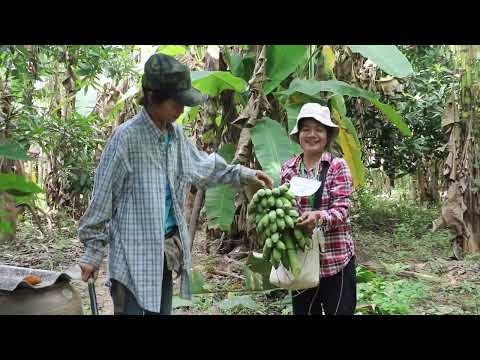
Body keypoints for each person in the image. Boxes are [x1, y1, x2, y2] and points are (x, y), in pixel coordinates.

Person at [78, 53, 272, 315]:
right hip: (133, 255)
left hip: (165, 252)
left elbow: (203, 168)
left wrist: (244, 174)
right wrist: (92, 252)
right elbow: (102, 199)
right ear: (152, 97)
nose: (182, 109)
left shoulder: (175, 135)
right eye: (176, 102)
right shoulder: (126, 139)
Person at [280, 103, 356, 315]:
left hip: (335, 259)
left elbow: (342, 209)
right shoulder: (288, 169)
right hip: (301, 260)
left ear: (327, 135)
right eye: (306, 129)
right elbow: (284, 208)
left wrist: (319, 217)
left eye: (318, 129)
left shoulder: (336, 166)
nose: (311, 135)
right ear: (299, 134)